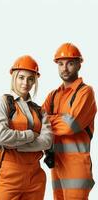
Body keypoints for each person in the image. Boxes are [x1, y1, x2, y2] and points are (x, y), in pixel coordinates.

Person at [0, 55, 53, 200]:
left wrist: (16, 145)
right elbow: (0, 136)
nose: (26, 83)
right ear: (14, 77)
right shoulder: (3, 103)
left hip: (36, 177)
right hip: (10, 174)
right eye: (21, 77)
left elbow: (47, 141)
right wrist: (31, 135)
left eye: (30, 79)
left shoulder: (39, 110)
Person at [42, 43, 97, 200]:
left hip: (76, 167)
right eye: (60, 64)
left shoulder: (85, 92)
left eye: (70, 63)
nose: (64, 68)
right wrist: (58, 119)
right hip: (56, 164)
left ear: (79, 64)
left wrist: (49, 119)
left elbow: (70, 125)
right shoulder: (53, 95)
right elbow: (38, 121)